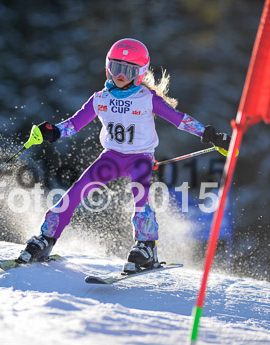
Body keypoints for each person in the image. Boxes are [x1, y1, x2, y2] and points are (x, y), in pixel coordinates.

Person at [16, 38, 231, 273]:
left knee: (141, 196)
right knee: (76, 192)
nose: (120, 74)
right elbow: (74, 124)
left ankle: (146, 246)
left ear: (139, 72)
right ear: (108, 67)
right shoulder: (100, 99)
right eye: (116, 67)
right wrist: (53, 131)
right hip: (111, 158)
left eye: (127, 70)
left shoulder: (147, 98)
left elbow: (180, 120)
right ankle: (46, 238)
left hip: (140, 158)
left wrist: (210, 134)